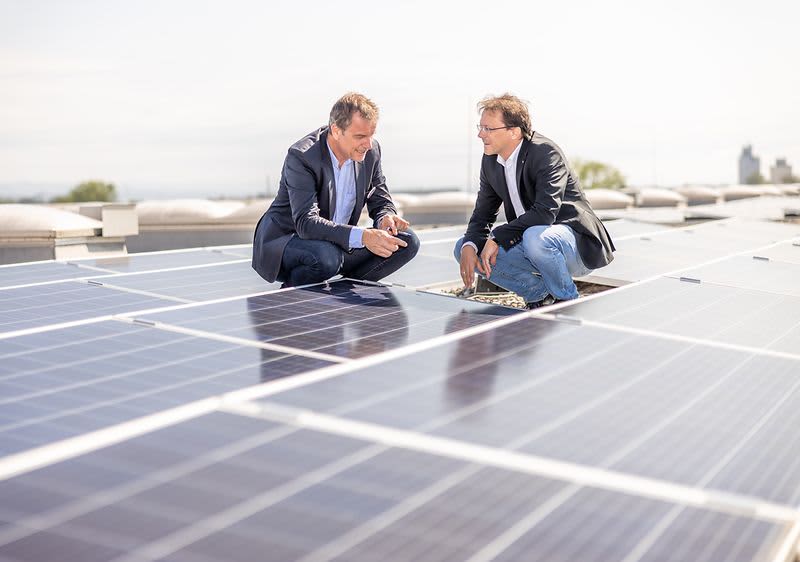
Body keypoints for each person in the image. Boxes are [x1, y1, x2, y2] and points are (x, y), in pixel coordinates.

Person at [454, 94, 615, 309]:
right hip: (532, 244)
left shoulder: (545, 152)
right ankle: (538, 295)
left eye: (488, 129)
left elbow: (544, 213)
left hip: (574, 245)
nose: (480, 134)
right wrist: (470, 244)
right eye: (480, 127)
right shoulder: (491, 160)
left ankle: (565, 300)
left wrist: (497, 237)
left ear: (514, 131)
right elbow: (483, 213)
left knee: (534, 236)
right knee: (464, 248)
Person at [252, 92, 419, 287]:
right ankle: (289, 296)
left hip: (336, 244)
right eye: (360, 136)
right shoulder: (302, 157)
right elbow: (307, 223)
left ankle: (343, 291)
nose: (368, 144)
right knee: (326, 257)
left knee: (407, 243)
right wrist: (364, 237)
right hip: (288, 241)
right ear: (336, 131)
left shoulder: (371, 153)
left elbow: (380, 199)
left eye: (371, 135)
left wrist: (385, 218)